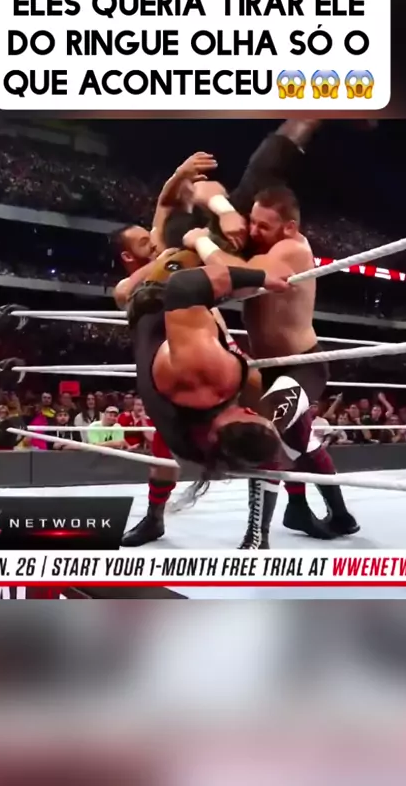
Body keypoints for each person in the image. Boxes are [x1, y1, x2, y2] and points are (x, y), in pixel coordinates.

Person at [185, 182, 359, 547]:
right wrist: (223, 210)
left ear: (289, 227)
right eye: (252, 221)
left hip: (301, 366)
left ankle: (257, 538)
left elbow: (241, 283)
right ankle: (332, 514)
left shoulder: (290, 250)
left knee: (262, 433)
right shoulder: (262, 242)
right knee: (300, 442)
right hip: (268, 368)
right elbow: (199, 187)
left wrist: (201, 241)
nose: (253, 230)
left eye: (263, 225)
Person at [127, 260, 288, 483]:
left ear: (250, 414)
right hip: (138, 311)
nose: (251, 409)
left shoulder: (208, 379)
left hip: (159, 289)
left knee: (231, 251)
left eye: (254, 415)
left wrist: (261, 277)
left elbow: (183, 285)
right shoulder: (192, 449)